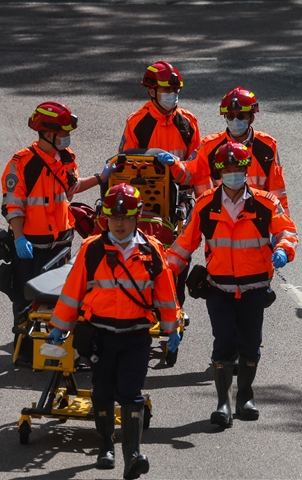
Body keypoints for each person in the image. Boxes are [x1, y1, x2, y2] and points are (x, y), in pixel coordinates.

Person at [48, 183, 180, 480]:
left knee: (131, 394)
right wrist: (59, 326)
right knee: (104, 392)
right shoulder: (91, 249)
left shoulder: (152, 251)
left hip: (136, 336)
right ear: (106, 218)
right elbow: (73, 291)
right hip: (101, 337)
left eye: (126, 217)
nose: (119, 224)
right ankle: (105, 445)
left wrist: (173, 330)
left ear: (137, 217)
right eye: (114, 218)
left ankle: (132, 455)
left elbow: (166, 294)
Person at [166, 142, 298, 428]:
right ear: (219, 172)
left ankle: (245, 396)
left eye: (238, 168)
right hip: (219, 290)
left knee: (251, 345)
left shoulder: (265, 203)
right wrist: (163, 273)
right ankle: (223, 403)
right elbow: (183, 246)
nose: (233, 174)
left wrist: (284, 249)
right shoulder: (205, 205)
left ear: (246, 169)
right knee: (224, 343)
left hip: (254, 291)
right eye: (227, 169)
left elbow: (287, 230)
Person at [1, 101, 114, 365]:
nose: (66, 137)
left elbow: (71, 189)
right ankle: (26, 350)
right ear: (47, 133)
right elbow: (13, 206)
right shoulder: (22, 163)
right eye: (62, 132)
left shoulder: (66, 157)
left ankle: (59, 348)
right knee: (26, 300)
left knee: (62, 298)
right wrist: (18, 237)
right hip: (31, 245)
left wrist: (101, 177)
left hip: (62, 241)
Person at [118, 60, 201, 333]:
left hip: (180, 199)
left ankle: (174, 308)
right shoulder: (137, 123)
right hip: (147, 201)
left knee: (179, 257)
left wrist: (201, 202)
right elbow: (124, 166)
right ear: (152, 91)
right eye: (166, 89)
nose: (172, 95)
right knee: (142, 253)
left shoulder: (188, 122)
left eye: (175, 90)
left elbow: (198, 168)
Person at [158, 86, 290, 215]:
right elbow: (189, 173)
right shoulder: (210, 146)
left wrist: (281, 226)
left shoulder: (267, 146)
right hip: (224, 216)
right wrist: (174, 164)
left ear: (252, 118)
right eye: (230, 116)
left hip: (258, 216)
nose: (235, 121)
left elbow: (277, 191)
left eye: (241, 116)